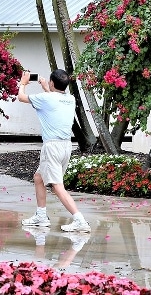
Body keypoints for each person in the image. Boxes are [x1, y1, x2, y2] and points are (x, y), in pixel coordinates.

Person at [17, 69, 91, 232]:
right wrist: (46, 88)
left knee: (57, 186)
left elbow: (21, 97)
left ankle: (79, 220)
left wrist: (23, 83)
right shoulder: (70, 99)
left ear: (52, 82)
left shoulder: (46, 98)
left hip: (52, 147)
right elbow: (55, 99)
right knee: (39, 178)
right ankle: (41, 216)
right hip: (66, 147)